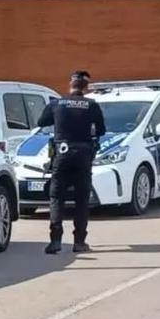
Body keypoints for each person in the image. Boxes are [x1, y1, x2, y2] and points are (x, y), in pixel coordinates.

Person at [35, 70, 105, 255]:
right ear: (86, 87)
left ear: (70, 85)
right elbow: (101, 130)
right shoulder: (92, 105)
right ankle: (79, 242)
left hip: (62, 154)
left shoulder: (56, 104)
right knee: (81, 199)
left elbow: (41, 122)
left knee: (57, 198)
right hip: (83, 155)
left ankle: (55, 241)